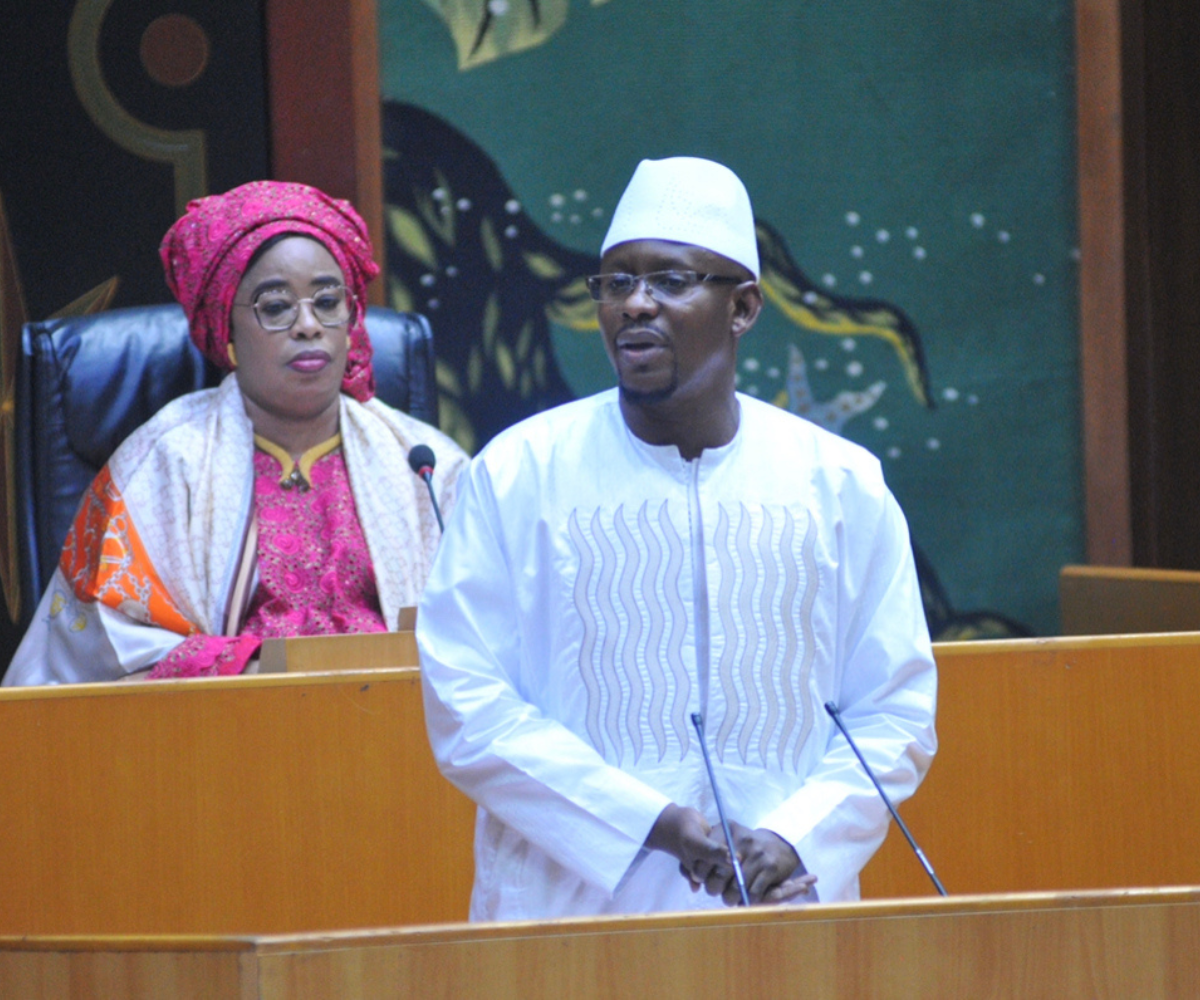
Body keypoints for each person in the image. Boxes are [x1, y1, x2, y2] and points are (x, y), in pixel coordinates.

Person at [417, 157, 937, 920]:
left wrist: (797, 836)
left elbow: (894, 709)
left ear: (745, 307)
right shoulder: (519, 473)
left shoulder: (839, 485)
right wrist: (651, 826)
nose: (636, 304)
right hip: (570, 916)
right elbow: (467, 704)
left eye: (670, 280)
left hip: (779, 916)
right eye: (617, 282)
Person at [4, 181, 466, 685]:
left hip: (395, 733)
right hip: (225, 733)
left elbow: (487, 633)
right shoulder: (161, 462)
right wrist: (258, 671)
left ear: (352, 319)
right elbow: (102, 647)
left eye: (328, 302)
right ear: (226, 330)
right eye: (275, 307)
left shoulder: (425, 465)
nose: (309, 325)